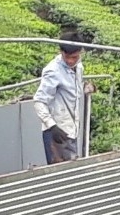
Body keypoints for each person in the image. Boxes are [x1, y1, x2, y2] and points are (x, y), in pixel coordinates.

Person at [34, 35, 85, 165]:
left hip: (71, 129)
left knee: (73, 170)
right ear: (61, 52)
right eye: (66, 57)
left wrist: (85, 88)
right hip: (57, 133)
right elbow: (39, 101)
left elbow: (73, 91)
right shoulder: (53, 71)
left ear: (80, 52)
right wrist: (52, 126)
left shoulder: (78, 67)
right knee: (62, 174)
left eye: (73, 57)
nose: (69, 61)